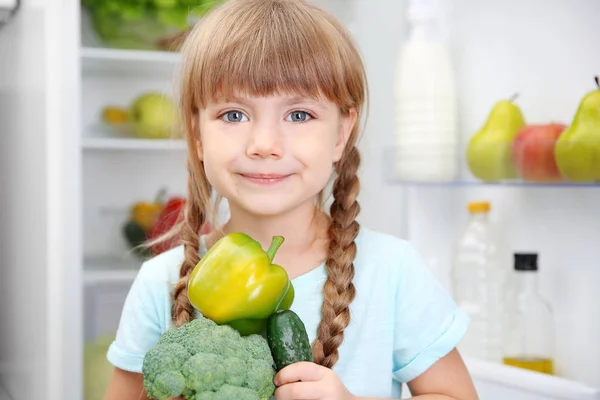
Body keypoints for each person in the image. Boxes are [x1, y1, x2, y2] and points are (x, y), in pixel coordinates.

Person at [103, 0, 479, 399]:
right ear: (196, 132)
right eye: (233, 115)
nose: (264, 145)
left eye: (299, 115)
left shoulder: (394, 272)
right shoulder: (160, 282)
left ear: (341, 134)